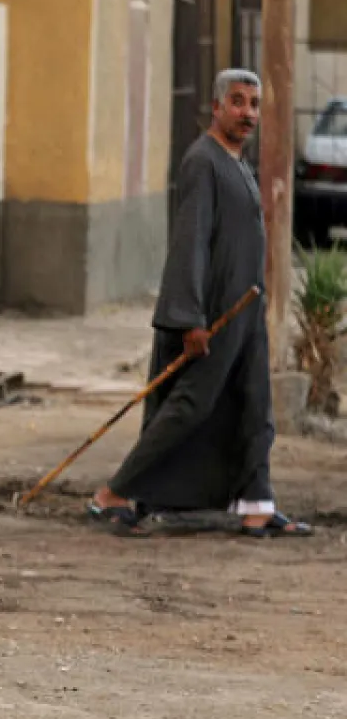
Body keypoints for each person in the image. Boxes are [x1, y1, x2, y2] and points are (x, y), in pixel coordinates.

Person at [89, 68, 311, 540]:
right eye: (237, 102)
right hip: (214, 314)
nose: (248, 113)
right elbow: (189, 244)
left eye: (253, 104)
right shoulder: (202, 161)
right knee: (189, 405)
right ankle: (116, 492)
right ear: (216, 107)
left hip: (246, 310)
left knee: (256, 406)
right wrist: (190, 320)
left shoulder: (236, 163)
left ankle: (257, 504)